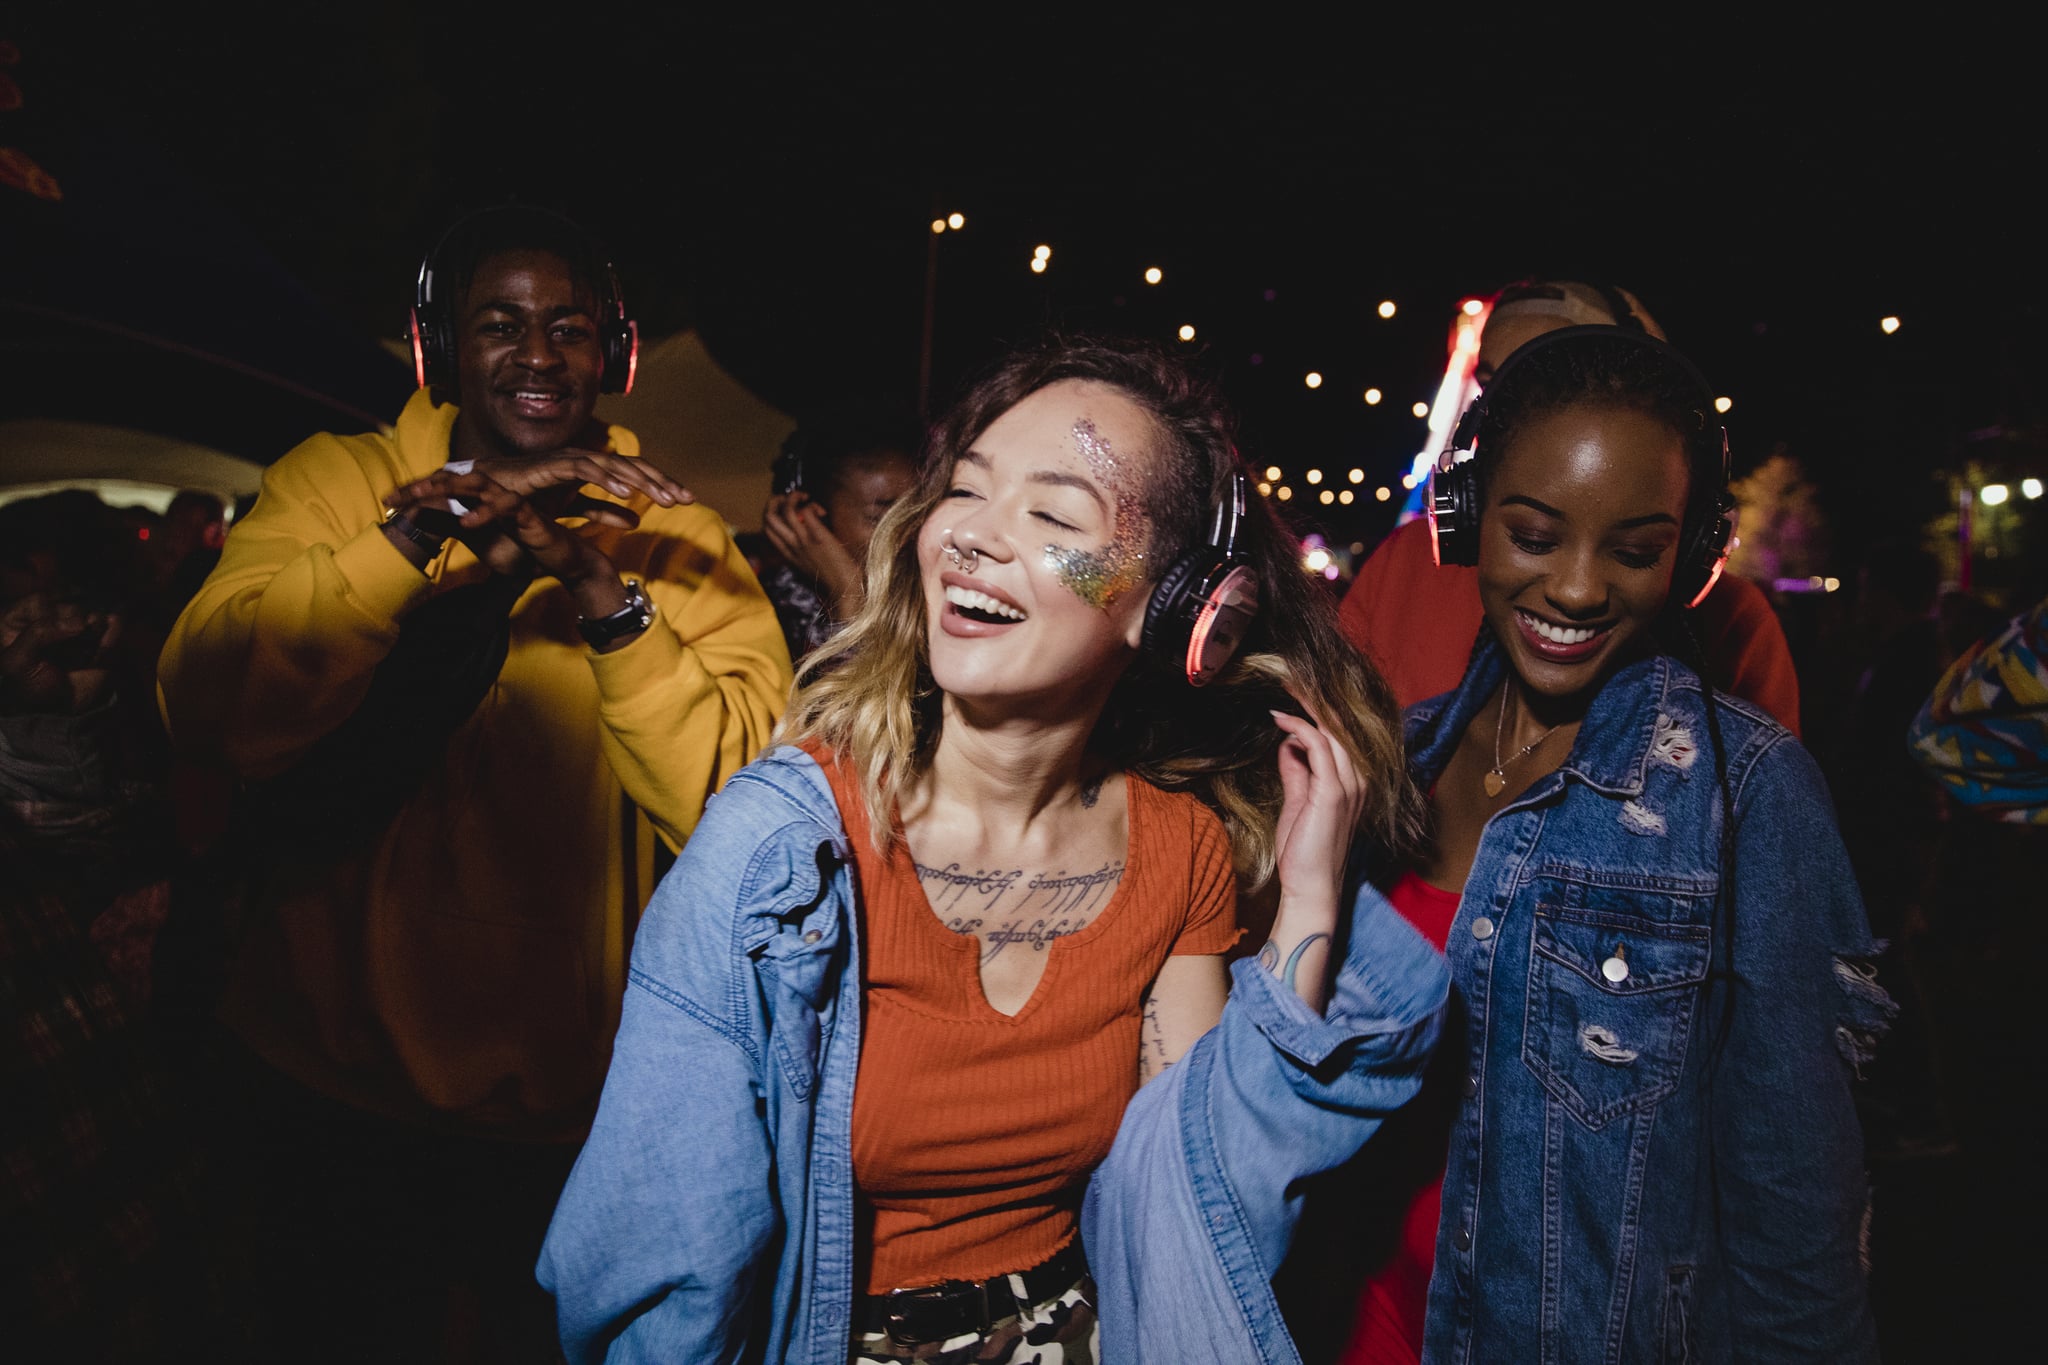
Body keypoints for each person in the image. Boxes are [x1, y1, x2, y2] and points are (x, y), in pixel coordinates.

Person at [538, 337, 1451, 1364]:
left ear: (1183, 613)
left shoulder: (1178, 848)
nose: (971, 537)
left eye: (1053, 514)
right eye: (964, 492)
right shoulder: (778, 851)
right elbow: (653, 1260)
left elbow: (1199, 1194)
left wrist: (1311, 904)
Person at [154, 204, 792, 1361]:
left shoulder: (678, 534)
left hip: (563, 1108)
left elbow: (739, 812)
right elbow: (209, 706)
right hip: (318, 1067)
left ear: (615, 355)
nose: (539, 355)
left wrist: (603, 594)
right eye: (499, 325)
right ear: (437, 347)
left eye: (569, 328)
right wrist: (415, 542)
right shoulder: (337, 481)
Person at [1291, 327, 1886, 1363]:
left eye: (1632, 550)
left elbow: (1796, 1231)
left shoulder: (1744, 795)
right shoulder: (1395, 763)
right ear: (1467, 518)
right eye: (1532, 534)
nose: (1573, 589)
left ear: (1694, 556)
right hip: (1347, 1325)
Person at [1337, 280, 1803, 734]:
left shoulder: (1737, 625)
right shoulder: (1403, 561)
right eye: (1493, 388)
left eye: (1555, 381)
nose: (1512, 415)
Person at [758, 411, 919, 662]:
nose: (910, 532)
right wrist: (848, 593)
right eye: (879, 518)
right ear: (812, 519)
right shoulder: (765, 610)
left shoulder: (926, 601)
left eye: (916, 513)